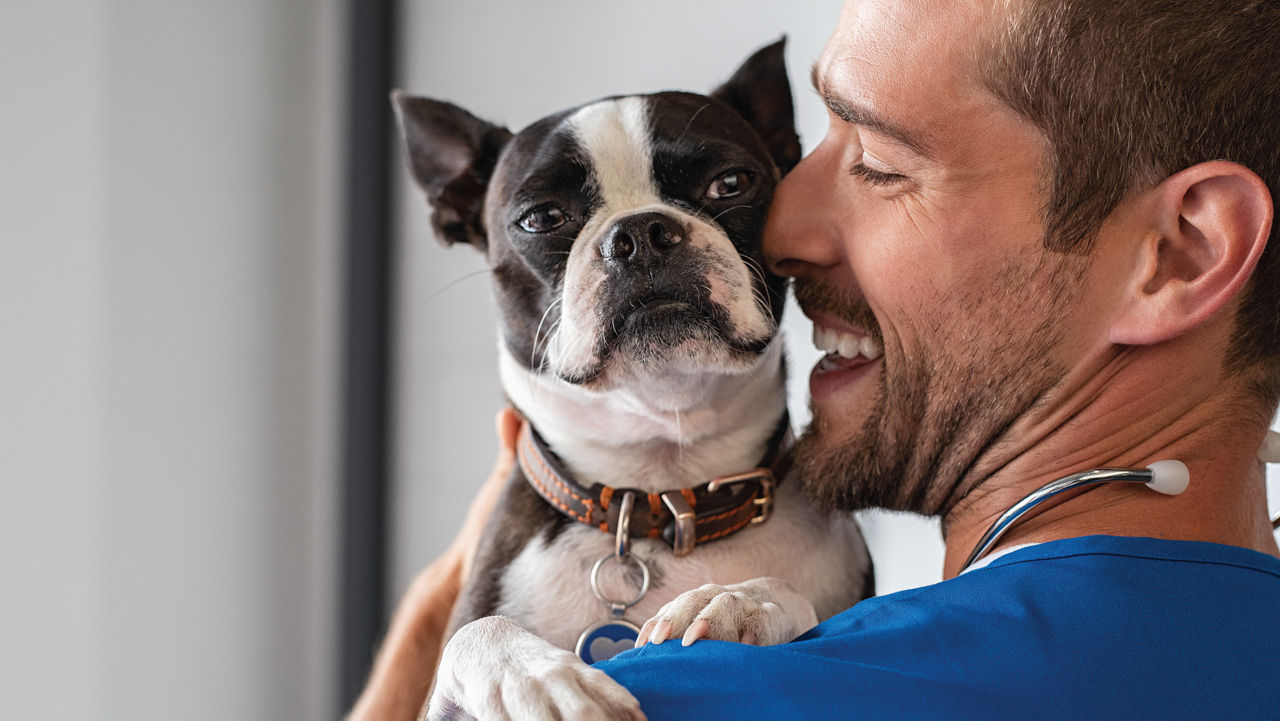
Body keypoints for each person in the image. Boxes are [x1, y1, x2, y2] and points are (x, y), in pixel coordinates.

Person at [353, 0, 1280, 718]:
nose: (781, 230)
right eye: (810, 147)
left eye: (878, 160)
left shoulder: (686, 694)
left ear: (1180, 253)